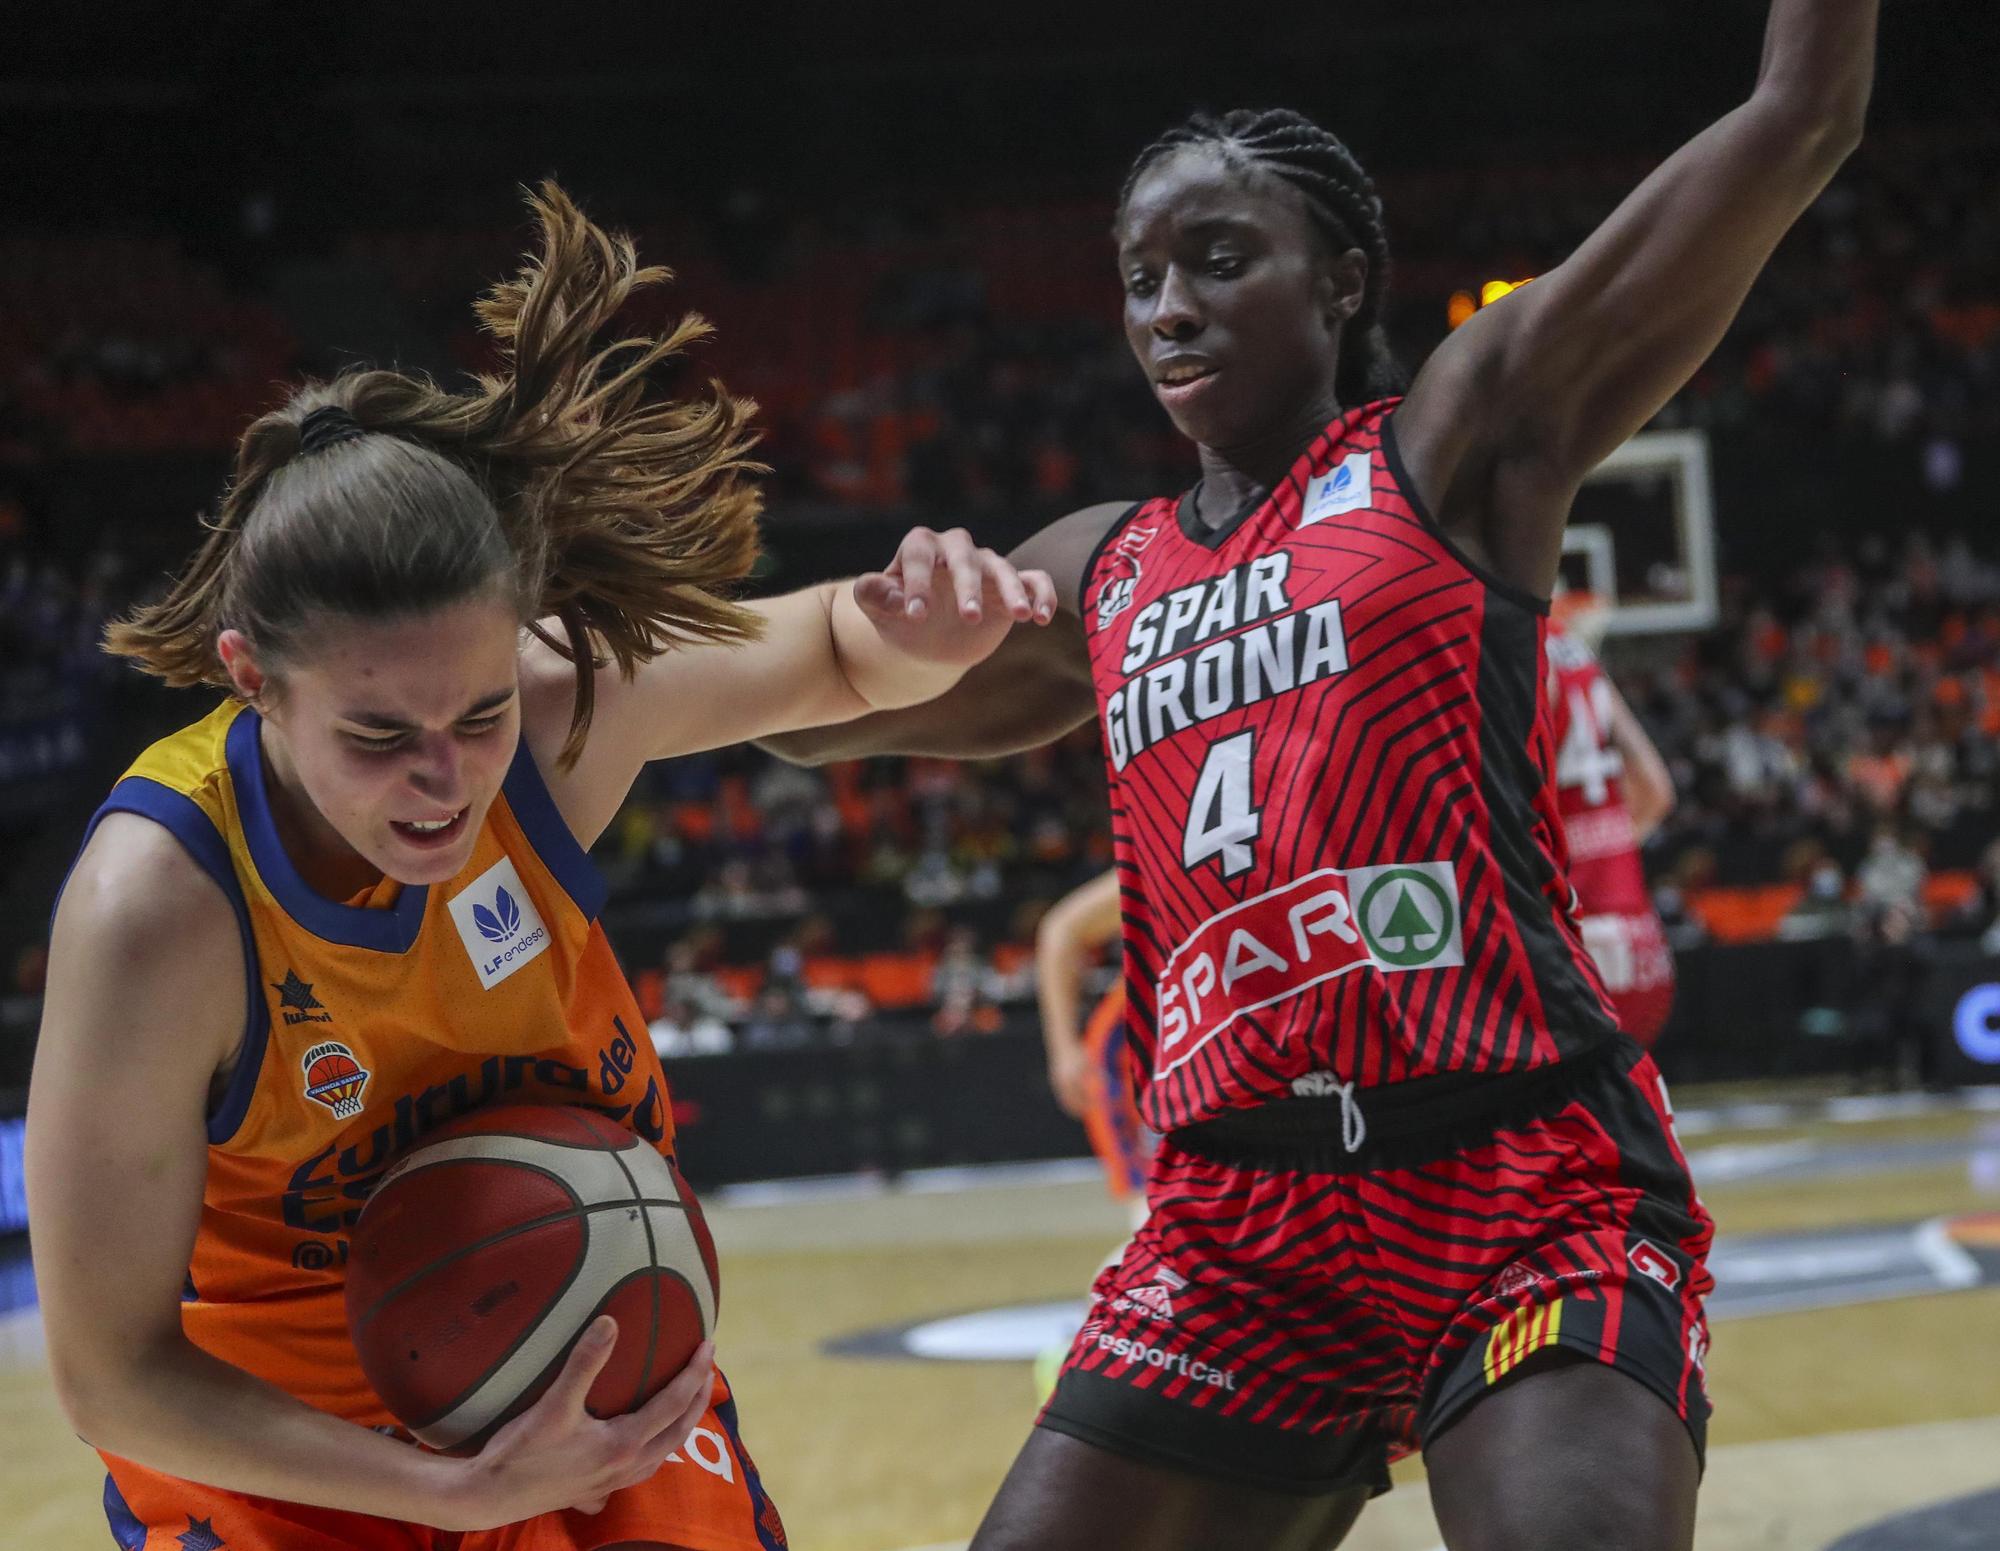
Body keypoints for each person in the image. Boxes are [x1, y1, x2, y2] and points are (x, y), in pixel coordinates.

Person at [760, 6, 1876, 1546]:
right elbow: (797, 719)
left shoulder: (1456, 440)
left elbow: (1800, 117)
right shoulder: (1099, 567)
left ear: (1344, 281)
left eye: (1221, 259)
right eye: (1142, 279)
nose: (1169, 308)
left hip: (1519, 1175)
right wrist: (863, 634)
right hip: (1236, 1227)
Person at [24, 184, 1055, 1551]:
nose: (447, 778)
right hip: (289, 1456)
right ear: (251, 680)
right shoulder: (159, 908)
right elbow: (109, 1374)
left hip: (595, 1372)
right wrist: (456, 1490)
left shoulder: (564, 704)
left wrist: (922, 631)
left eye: (478, 713)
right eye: (380, 734)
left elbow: (838, 649)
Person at [1545, 594, 1678, 1045]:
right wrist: (1609, 841)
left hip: (1567, 938)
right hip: (1640, 941)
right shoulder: (1577, 650)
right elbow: (1657, 791)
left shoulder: (1506, 646)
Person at [1035, 868, 1154, 1214]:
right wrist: (1064, 1049)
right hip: (1141, 1051)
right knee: (1154, 1216)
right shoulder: (1171, 851)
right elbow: (1061, 930)